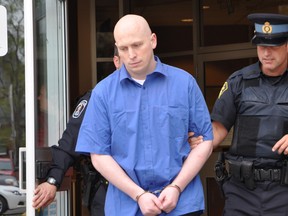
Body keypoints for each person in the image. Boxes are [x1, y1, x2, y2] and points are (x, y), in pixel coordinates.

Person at [75, 14, 213, 216]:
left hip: (182, 203)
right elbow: (98, 154)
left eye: (137, 45)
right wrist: (138, 195)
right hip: (126, 206)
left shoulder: (185, 83)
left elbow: (205, 141)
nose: (131, 54)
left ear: (153, 40)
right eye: (123, 48)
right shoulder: (103, 93)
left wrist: (176, 187)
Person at [190, 13, 288, 215]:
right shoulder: (238, 81)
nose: (266, 53)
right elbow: (218, 128)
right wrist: (201, 141)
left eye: (273, 47)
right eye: (261, 46)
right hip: (243, 190)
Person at [32, 46, 122, 216]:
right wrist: (53, 180)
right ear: (116, 61)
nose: (133, 57)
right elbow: (71, 139)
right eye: (125, 52)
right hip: (108, 191)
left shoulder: (155, 94)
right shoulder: (98, 97)